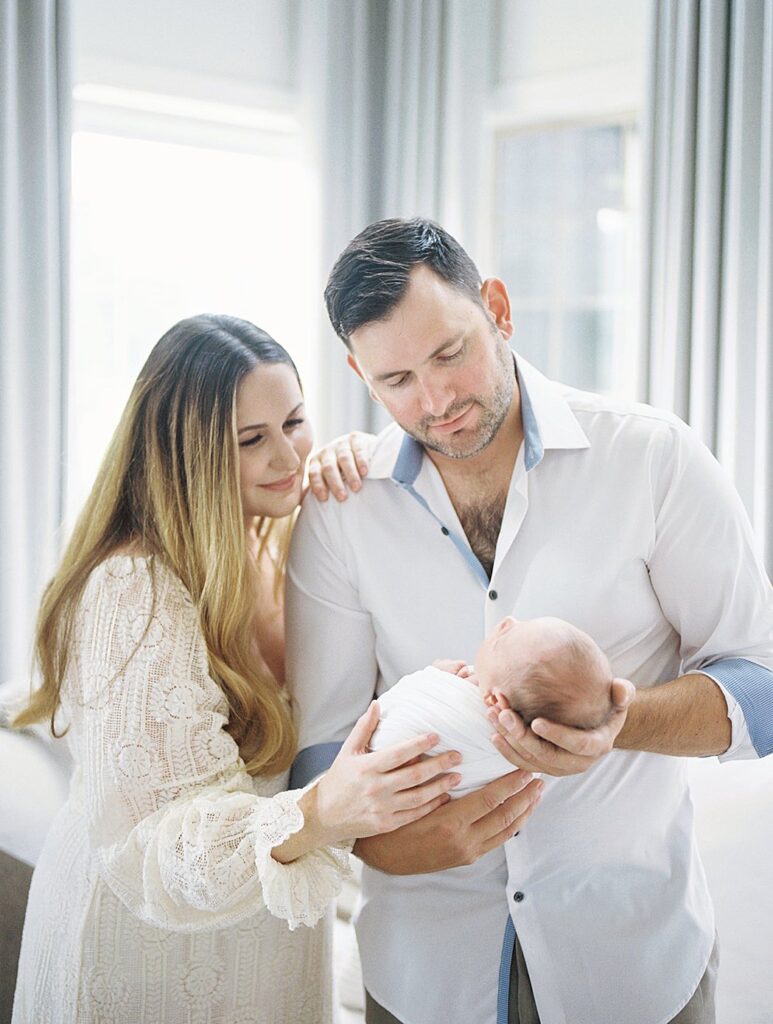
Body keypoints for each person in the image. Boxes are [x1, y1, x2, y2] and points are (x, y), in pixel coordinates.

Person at [286, 218, 773, 1024]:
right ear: (359, 376)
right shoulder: (342, 511)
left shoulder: (651, 459)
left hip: (634, 965)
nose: (435, 401)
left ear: (499, 309)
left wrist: (614, 722)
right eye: (397, 379)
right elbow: (321, 751)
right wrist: (383, 845)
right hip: (423, 973)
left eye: (450, 353)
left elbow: (762, 686)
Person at [10, 313, 472, 1024]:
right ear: (183, 454)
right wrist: (323, 811)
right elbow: (153, 849)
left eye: (294, 421)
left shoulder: (279, 543)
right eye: (251, 440)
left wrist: (356, 473)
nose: (288, 455)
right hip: (146, 951)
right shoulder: (132, 588)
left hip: (266, 943)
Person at [371, 617, 614, 797]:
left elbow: (392, 711)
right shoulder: (526, 751)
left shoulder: (457, 702)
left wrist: (432, 675)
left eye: (503, 642)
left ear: (497, 702)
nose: (507, 622)